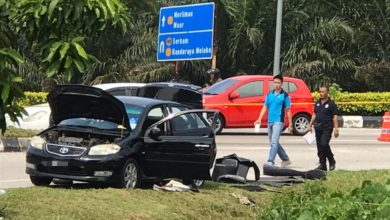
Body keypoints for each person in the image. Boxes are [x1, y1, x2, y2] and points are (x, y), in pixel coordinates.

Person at [254, 75, 293, 167]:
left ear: (281, 84)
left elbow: (288, 110)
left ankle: (270, 161)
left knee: (274, 141)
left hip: (279, 121)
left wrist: (290, 124)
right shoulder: (269, 94)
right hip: (270, 121)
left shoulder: (285, 95)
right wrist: (259, 118)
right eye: (275, 82)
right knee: (273, 142)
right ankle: (285, 159)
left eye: (278, 83)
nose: (276, 84)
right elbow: (265, 106)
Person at [307, 85, 339, 171]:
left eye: (323, 92)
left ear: (327, 92)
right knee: (319, 147)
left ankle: (331, 160)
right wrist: (310, 125)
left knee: (324, 144)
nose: (321, 93)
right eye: (320, 92)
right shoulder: (317, 103)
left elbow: (335, 117)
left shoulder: (331, 104)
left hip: (327, 128)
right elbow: (314, 114)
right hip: (318, 127)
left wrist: (336, 129)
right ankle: (322, 164)